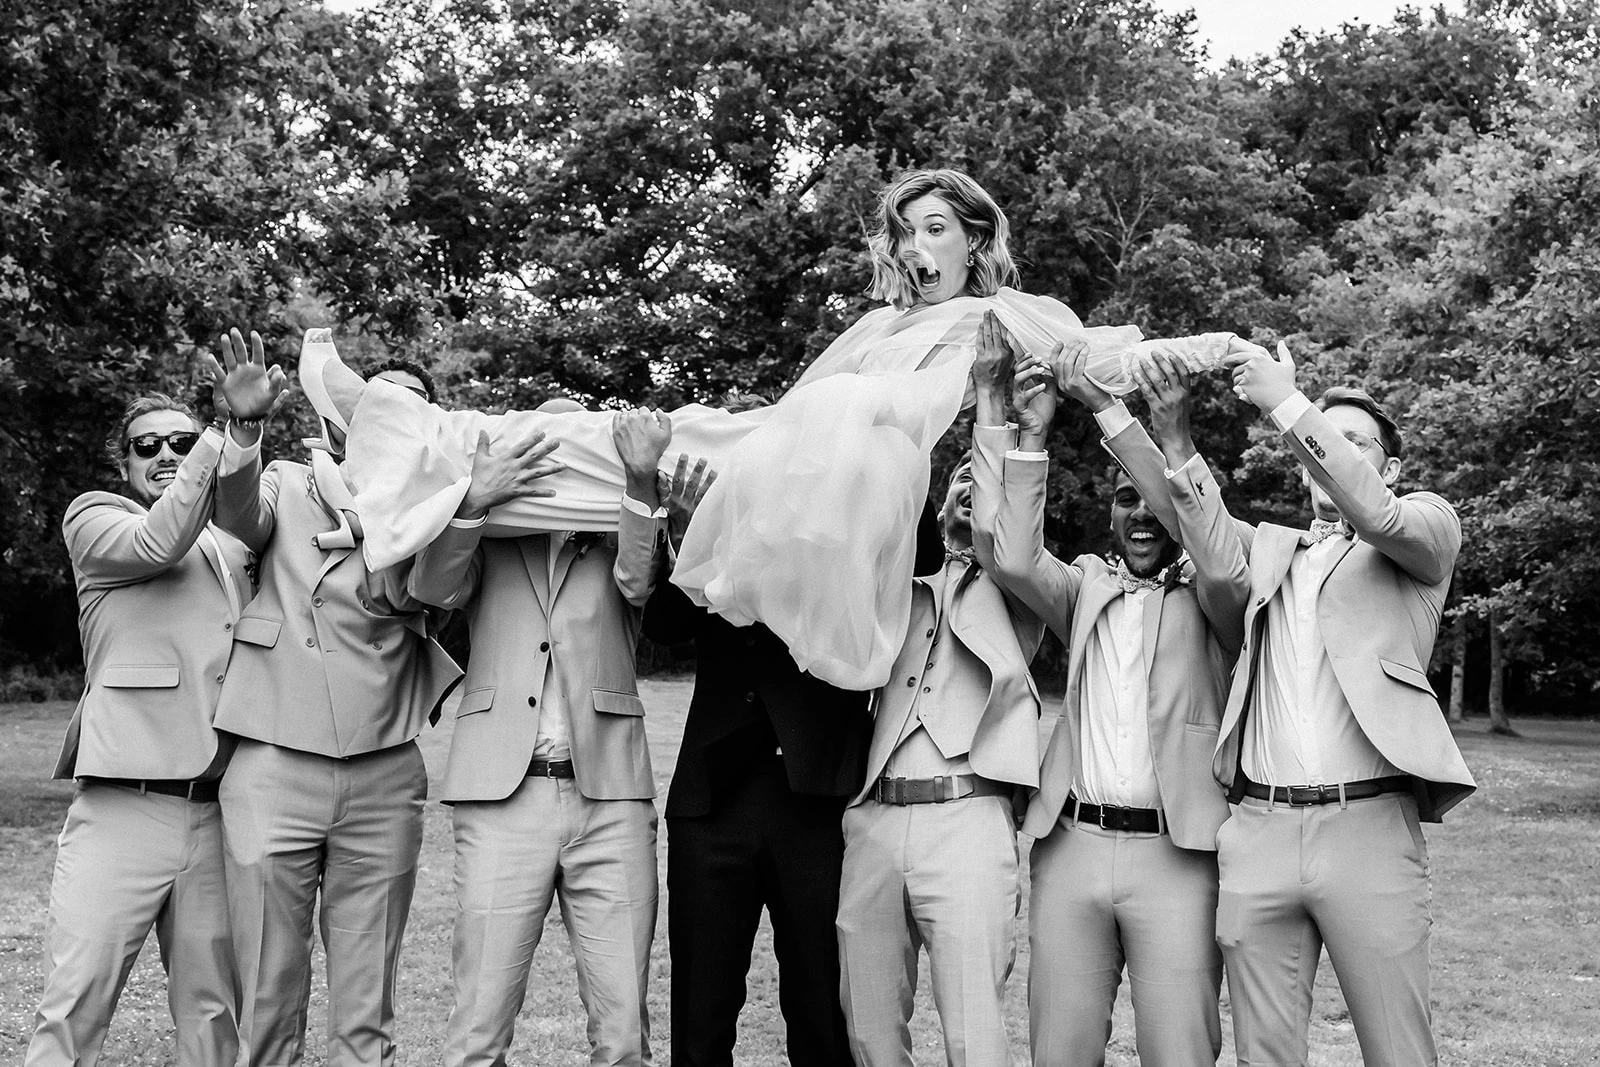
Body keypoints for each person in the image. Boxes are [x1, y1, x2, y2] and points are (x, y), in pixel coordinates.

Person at [294, 170, 1243, 690]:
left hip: (862, 484)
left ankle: (385, 432)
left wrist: (1229, 351)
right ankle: (395, 465)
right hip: (795, 456)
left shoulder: (1009, 315)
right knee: (596, 459)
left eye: (936, 229)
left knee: (621, 446)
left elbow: (1117, 360)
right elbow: (794, 410)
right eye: (906, 233)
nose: (917, 249)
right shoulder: (875, 326)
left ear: (974, 238)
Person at [1159, 341, 1476, 1067]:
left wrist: (1284, 400)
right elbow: (1188, 511)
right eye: (1323, 439)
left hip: (1369, 828)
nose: (1331, 450)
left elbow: (1381, 519)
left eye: (1353, 442)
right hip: (1259, 831)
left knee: (1399, 1051)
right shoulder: (1270, 551)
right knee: (1263, 1055)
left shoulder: (1425, 528)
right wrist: (1163, 430)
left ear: (1389, 469)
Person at [985, 322, 1241, 1066]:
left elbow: (1218, 558)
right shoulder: (1084, 589)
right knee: (1059, 1049)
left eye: (1152, 502)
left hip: (1178, 854)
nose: (1141, 514)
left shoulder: (1219, 599)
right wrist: (1032, 435)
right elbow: (1013, 556)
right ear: (1109, 513)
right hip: (1071, 845)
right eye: (1126, 499)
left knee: (1179, 1050)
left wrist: (1154, 429)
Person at [208, 329, 462, 1067]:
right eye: (377, 404)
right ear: (340, 413)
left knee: (366, 1003)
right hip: (273, 760)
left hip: (383, 766)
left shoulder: (441, 509)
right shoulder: (289, 481)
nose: (392, 419)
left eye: (411, 410)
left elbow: (434, 591)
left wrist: (444, 505)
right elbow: (237, 515)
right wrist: (244, 429)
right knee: (267, 989)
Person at [408, 398, 671, 1067]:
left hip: (610, 795)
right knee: (478, 1026)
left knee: (623, 1034)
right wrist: (474, 500)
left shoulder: (620, 521)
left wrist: (640, 481)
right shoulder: (492, 531)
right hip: (501, 795)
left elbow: (639, 584)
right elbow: (433, 588)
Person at [26, 377, 273, 1067]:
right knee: (74, 1005)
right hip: (121, 806)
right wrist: (219, 433)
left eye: (182, 441)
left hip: (219, 811)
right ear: (125, 463)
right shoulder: (96, 519)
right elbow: (159, 541)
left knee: (213, 1013)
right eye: (148, 445)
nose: (166, 453)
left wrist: (243, 439)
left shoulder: (235, 544)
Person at [833, 346, 1044, 1065]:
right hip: (874, 820)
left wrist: (992, 404)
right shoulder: (895, 589)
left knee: (973, 1033)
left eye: (980, 479)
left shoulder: (1022, 590)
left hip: (967, 819)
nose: (969, 488)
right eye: (958, 479)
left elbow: (1008, 529)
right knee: (867, 1029)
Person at [645, 426, 876, 1066]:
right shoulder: (709, 535)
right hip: (712, 801)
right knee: (701, 1012)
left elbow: (921, 551)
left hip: (817, 800)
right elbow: (662, 627)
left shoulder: (842, 520)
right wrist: (696, 535)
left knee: (822, 1009)